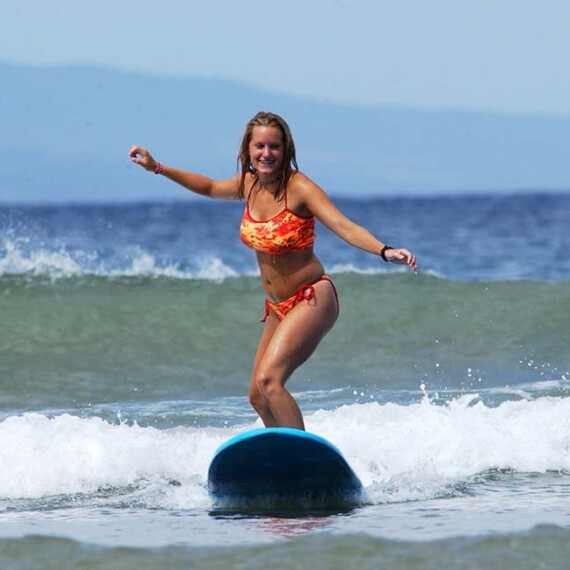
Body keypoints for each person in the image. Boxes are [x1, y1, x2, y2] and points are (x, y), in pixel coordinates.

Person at [129, 111, 416, 431]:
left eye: (275, 147)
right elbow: (209, 187)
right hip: (279, 306)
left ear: (286, 149)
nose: (267, 154)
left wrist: (384, 250)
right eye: (260, 147)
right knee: (257, 395)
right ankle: (281, 455)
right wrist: (158, 167)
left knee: (270, 381)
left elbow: (343, 226)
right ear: (248, 151)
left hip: (312, 298)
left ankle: (304, 458)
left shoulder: (300, 188)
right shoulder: (249, 185)